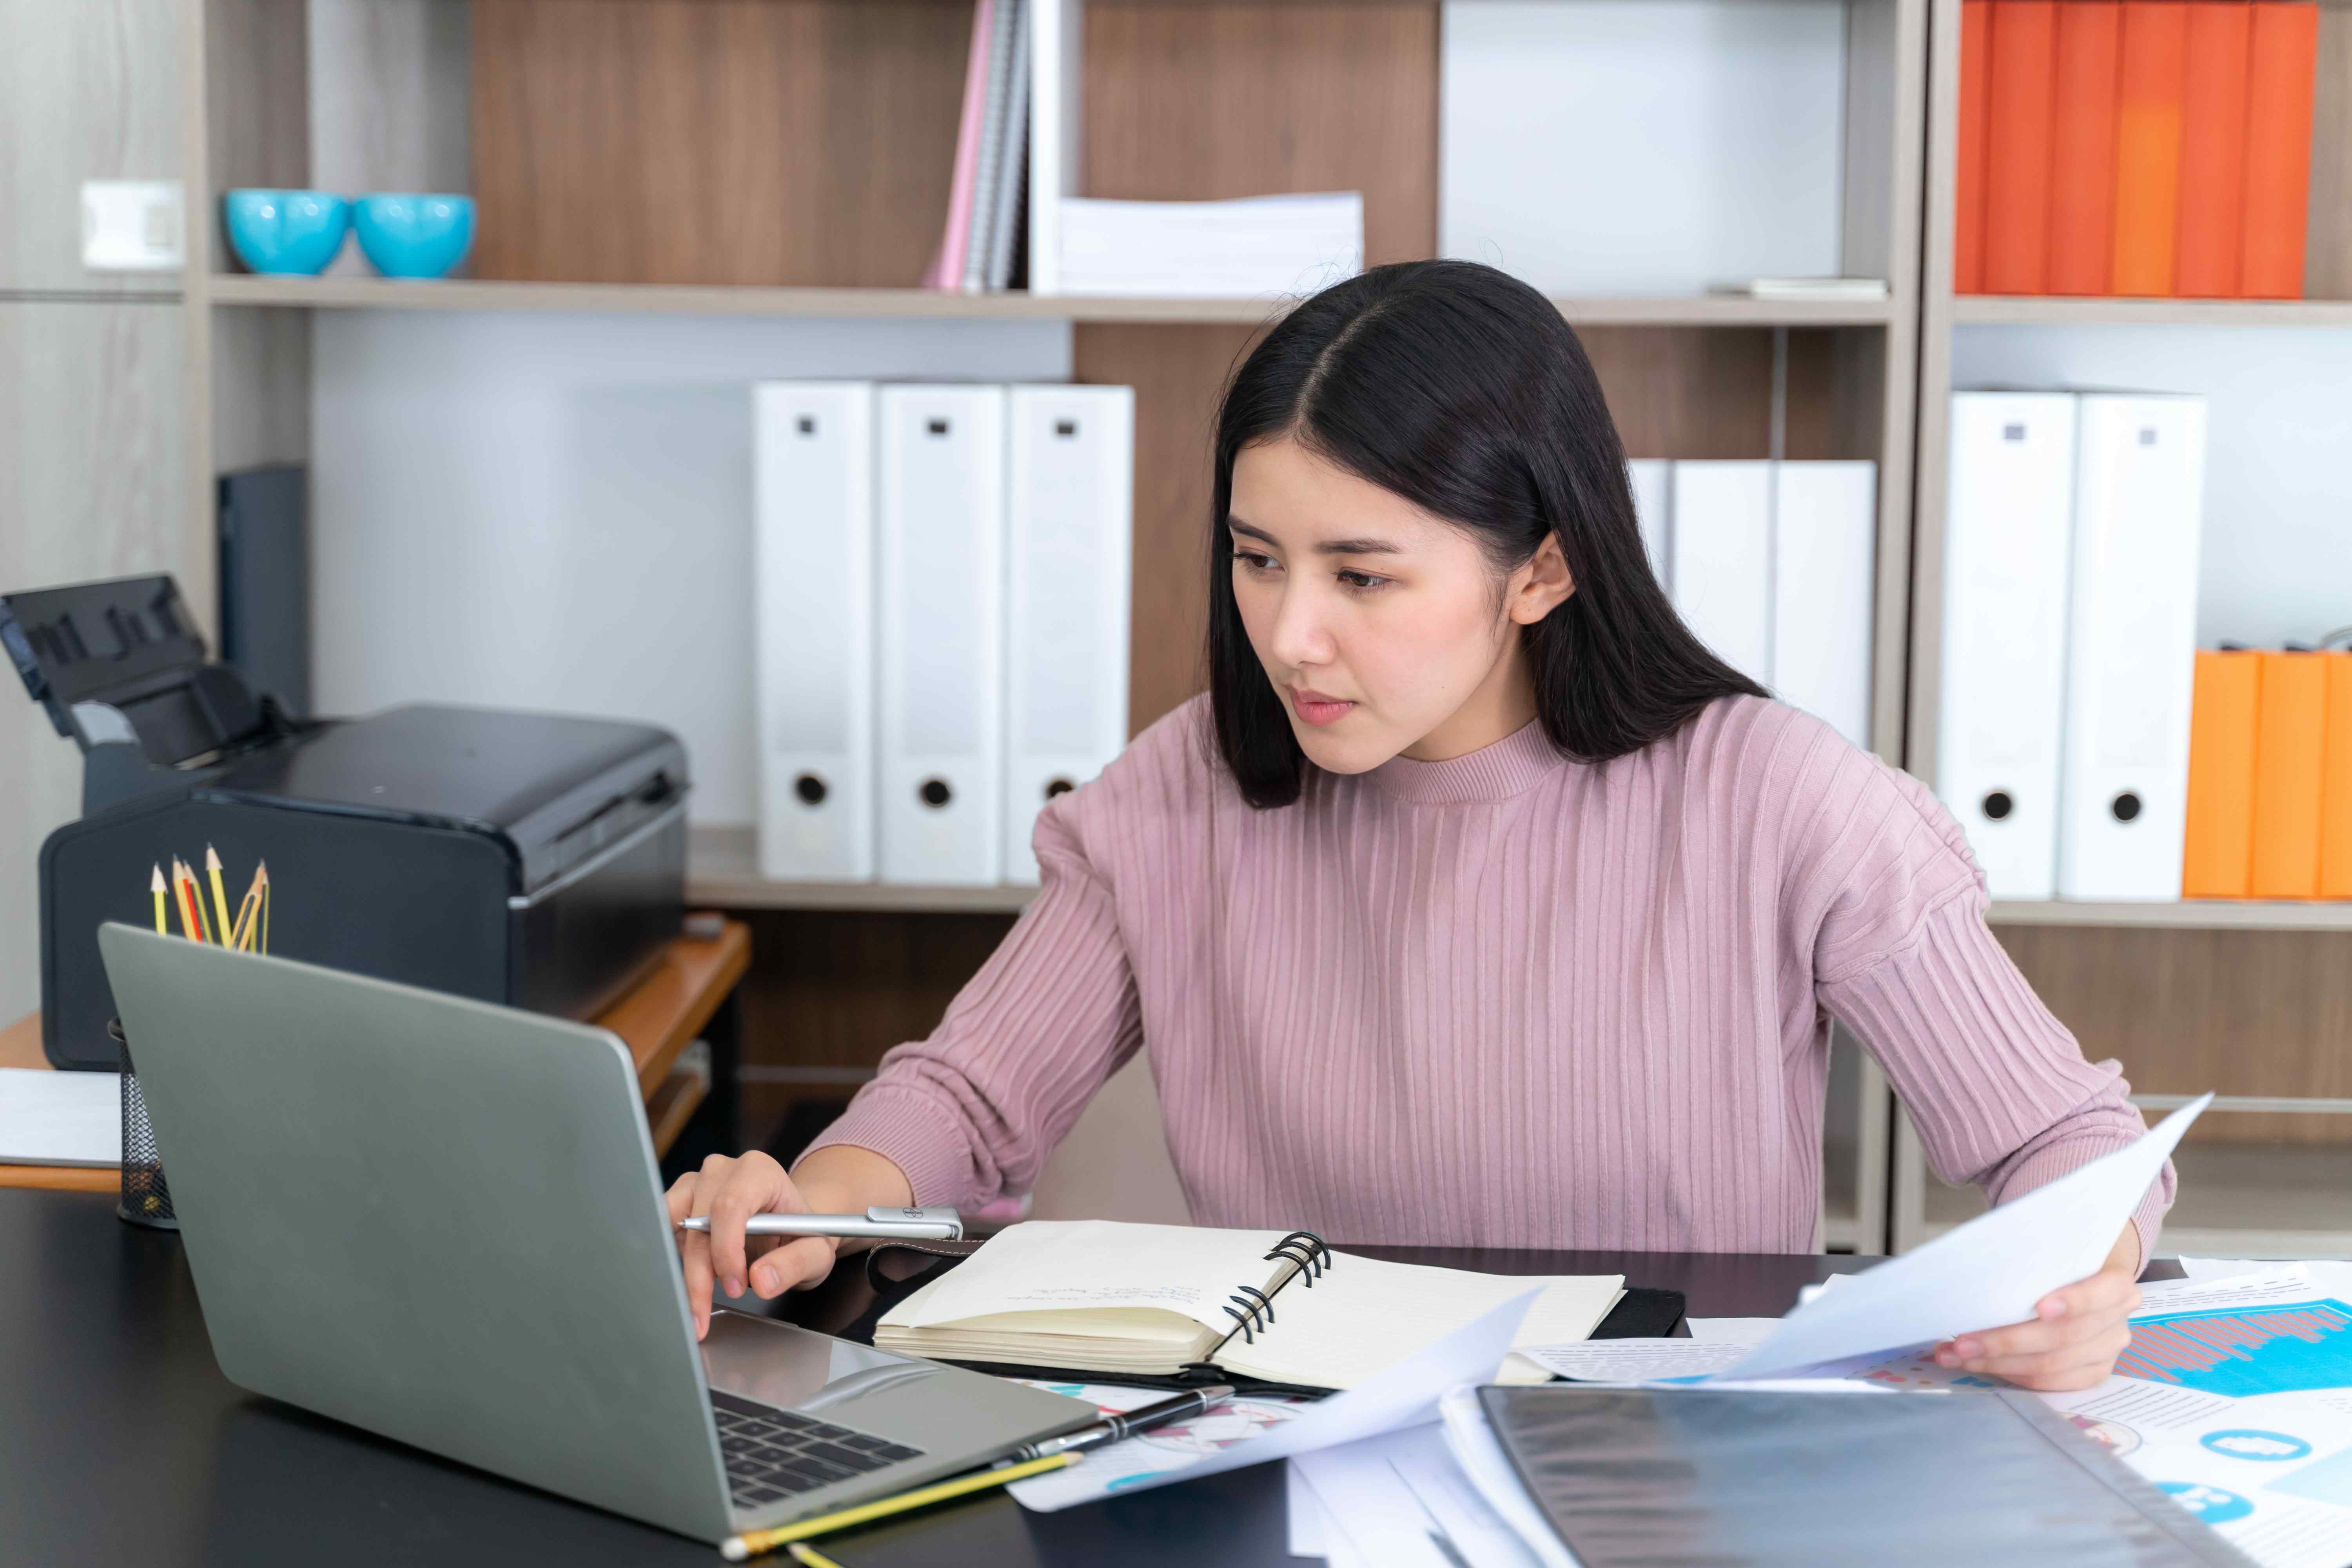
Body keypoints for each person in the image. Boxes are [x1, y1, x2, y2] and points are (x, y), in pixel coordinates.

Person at [673, 259, 2165, 1393]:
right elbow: (971, 1096)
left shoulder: (1779, 801)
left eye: (1363, 577)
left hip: (1667, 1464)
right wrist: (819, 1198)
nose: (1291, 634)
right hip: (1286, 1447)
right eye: (1259, 560)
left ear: (1542, 571)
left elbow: (2067, 1141)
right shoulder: (1183, 795)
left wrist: (2082, 1280)